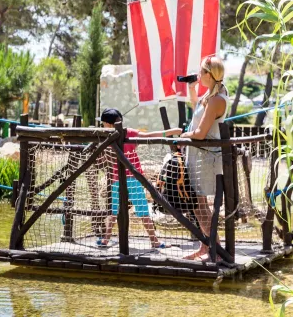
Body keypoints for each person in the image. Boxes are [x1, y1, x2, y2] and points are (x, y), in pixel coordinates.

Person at [98, 108, 182, 249]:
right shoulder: (128, 132)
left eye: (103, 124)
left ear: (108, 124)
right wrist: (170, 132)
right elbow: (149, 135)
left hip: (119, 179)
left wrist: (170, 132)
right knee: (141, 211)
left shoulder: (108, 135)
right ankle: (154, 241)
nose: (102, 126)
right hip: (132, 178)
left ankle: (106, 239)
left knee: (114, 211)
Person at [180, 55, 228, 260]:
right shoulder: (209, 95)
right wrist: (191, 90)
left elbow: (199, 132)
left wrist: (184, 136)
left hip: (207, 158)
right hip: (197, 156)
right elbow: (198, 114)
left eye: (201, 71)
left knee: (202, 205)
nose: (198, 75)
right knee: (198, 205)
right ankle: (205, 246)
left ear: (209, 74)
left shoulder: (217, 99)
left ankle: (214, 249)